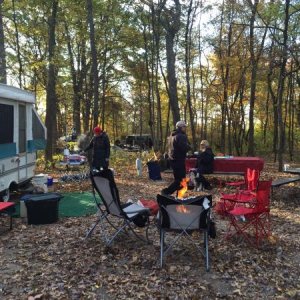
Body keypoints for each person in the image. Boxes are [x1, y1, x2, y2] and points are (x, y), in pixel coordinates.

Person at [161, 120, 191, 195]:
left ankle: (179, 196)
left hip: (173, 160)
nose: (185, 128)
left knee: (179, 179)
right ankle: (166, 192)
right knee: (180, 180)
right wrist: (189, 147)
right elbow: (184, 148)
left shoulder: (172, 136)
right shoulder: (181, 136)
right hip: (178, 160)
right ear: (181, 127)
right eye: (184, 127)